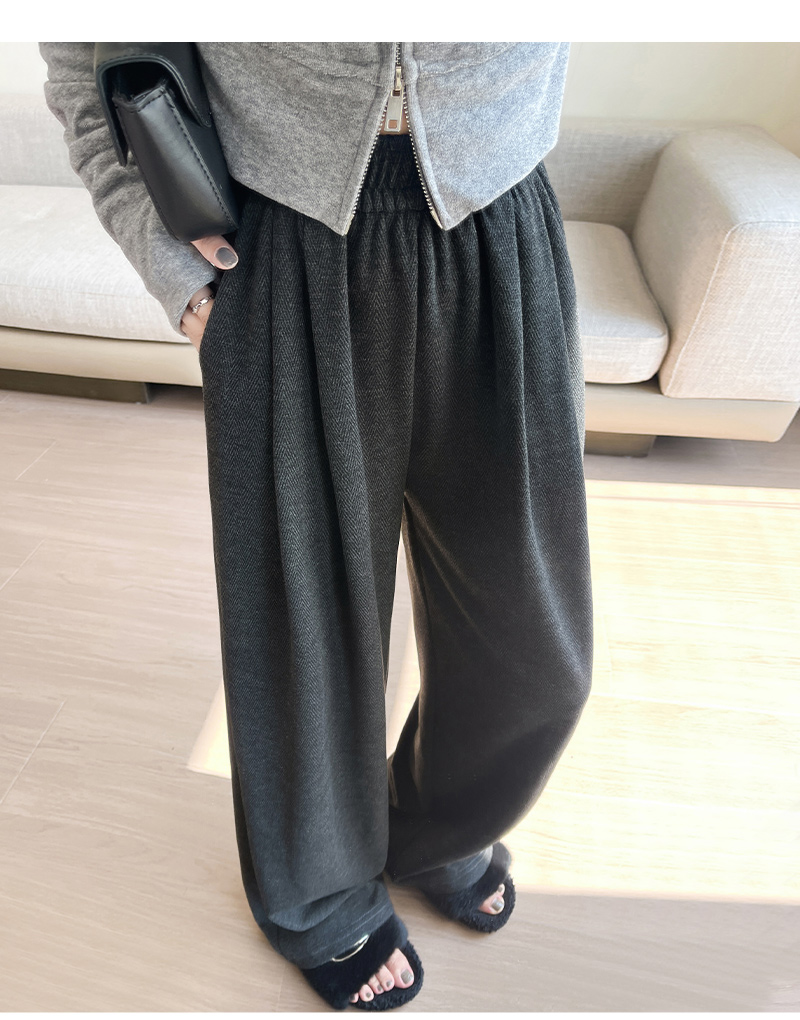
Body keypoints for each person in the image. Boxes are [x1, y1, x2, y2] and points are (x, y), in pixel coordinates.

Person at [38, 42, 593, 1011]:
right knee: (299, 634)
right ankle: (320, 893)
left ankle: (433, 823)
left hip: (498, 220)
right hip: (283, 241)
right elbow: (87, 55)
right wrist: (173, 269)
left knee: (535, 649)